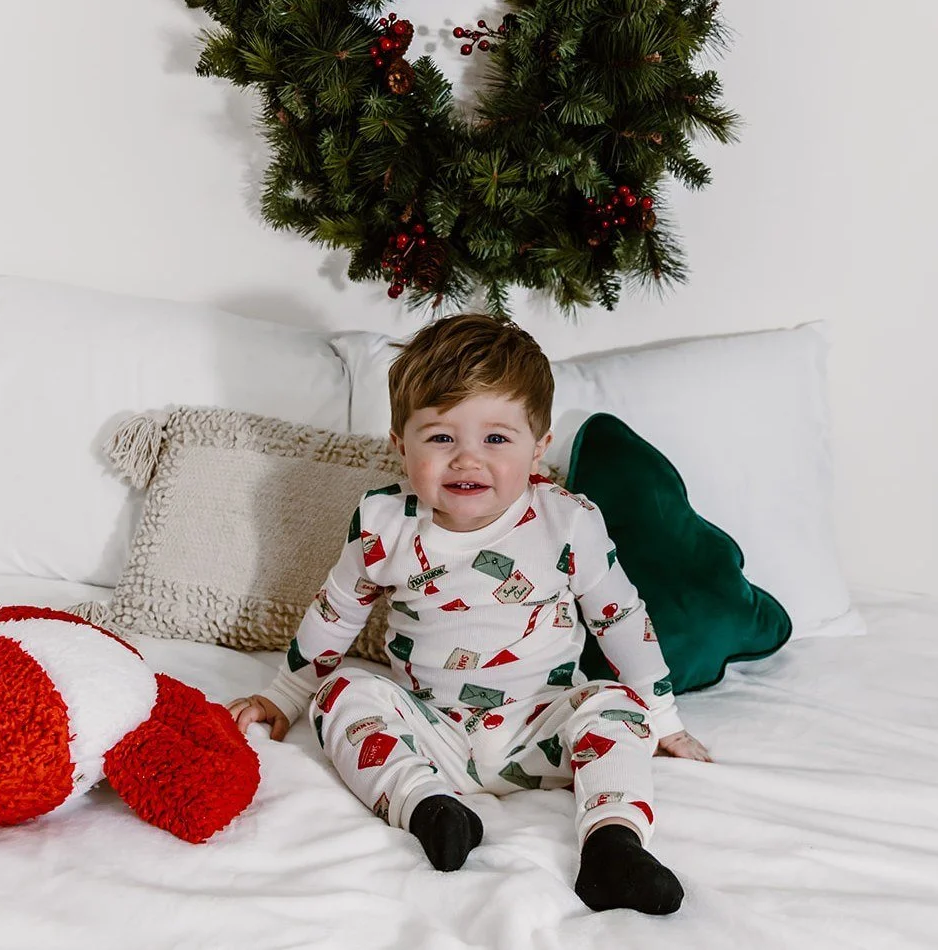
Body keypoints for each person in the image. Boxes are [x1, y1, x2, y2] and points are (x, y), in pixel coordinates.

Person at [227, 314, 711, 915]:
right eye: (440, 438)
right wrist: (288, 691)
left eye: (496, 439)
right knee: (342, 692)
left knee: (616, 705)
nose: (466, 460)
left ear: (540, 447)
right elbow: (337, 610)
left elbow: (620, 617)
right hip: (432, 730)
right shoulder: (386, 524)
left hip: (540, 728)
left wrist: (662, 719)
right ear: (400, 445)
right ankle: (427, 806)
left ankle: (613, 844)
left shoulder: (567, 522)